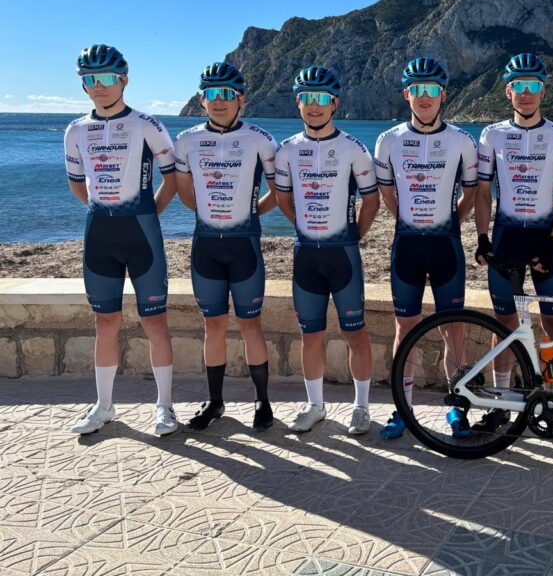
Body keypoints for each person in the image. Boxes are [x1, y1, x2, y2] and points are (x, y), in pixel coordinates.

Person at [64, 44, 179, 436]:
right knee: (105, 321)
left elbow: (172, 180)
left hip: (142, 232)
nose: (98, 86)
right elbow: (77, 185)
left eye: (107, 78)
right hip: (100, 233)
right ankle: (103, 406)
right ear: (83, 84)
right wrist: (105, 210)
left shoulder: (147, 124)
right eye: (89, 79)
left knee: (155, 321)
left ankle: (164, 407)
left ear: (124, 80)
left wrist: (146, 213)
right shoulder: (76, 130)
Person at [374, 57, 478, 439]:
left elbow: (471, 192)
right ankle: (402, 409)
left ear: (443, 95)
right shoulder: (388, 140)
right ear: (407, 94)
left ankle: (457, 408)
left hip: (446, 246)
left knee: (455, 329)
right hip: (407, 247)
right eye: (417, 89)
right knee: (405, 329)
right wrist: (410, 220)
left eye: (432, 90)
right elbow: (387, 193)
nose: (424, 97)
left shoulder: (462, 141)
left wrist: (451, 222)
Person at [274, 67, 381, 434]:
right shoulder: (287, 150)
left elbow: (371, 201)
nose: (314, 105)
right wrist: (304, 228)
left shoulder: (353, 148)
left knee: (356, 333)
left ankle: (361, 407)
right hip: (307, 254)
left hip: (343, 255)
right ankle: (315, 406)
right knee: (310, 335)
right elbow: (283, 199)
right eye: (307, 98)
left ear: (335, 103)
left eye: (322, 98)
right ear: (298, 102)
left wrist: (353, 236)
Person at [474, 53, 553, 429]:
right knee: (503, 324)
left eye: (534, 85)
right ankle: (500, 403)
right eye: (519, 85)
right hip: (506, 238)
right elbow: (483, 192)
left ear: (543, 91)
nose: (527, 92)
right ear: (508, 91)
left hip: (545, 239)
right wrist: (482, 236)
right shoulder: (492, 135)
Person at [174, 63, 278, 431]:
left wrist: (248, 214)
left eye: (227, 94)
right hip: (206, 246)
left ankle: (263, 401)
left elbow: (278, 192)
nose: (219, 101)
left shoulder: (261, 140)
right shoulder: (186, 141)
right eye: (211, 94)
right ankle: (215, 402)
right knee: (212, 326)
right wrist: (212, 216)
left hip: (244, 246)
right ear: (202, 100)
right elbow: (185, 193)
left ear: (241, 99)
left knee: (251, 326)